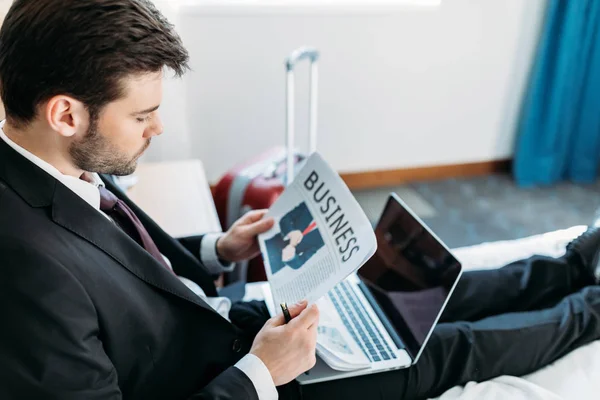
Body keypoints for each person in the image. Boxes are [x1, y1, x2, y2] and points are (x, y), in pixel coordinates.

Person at [1, 1, 599, 399]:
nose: (156, 130)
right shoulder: (22, 268)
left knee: (399, 292)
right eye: (143, 115)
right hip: (233, 375)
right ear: (66, 114)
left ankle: (570, 267)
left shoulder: (54, 163)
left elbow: (118, 260)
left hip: (229, 322)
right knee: (446, 349)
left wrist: (215, 248)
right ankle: (591, 310)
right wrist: (265, 370)